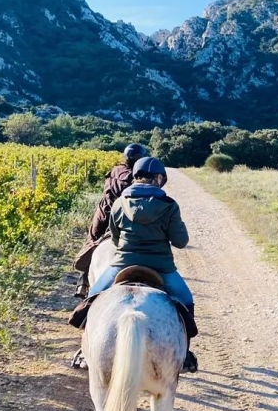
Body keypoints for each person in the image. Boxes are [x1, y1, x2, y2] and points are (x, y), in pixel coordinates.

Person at [85, 156, 198, 373]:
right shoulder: (169, 205)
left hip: (122, 263)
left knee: (92, 300)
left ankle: (87, 348)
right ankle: (184, 356)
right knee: (187, 301)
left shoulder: (119, 203)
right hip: (161, 267)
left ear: (135, 177)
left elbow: (116, 240)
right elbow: (181, 242)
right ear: (158, 178)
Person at [73, 143, 149, 298]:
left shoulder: (116, 170)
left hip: (103, 212)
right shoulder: (135, 177)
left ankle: (82, 283)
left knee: (92, 242)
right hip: (122, 213)